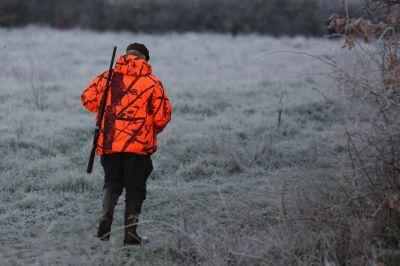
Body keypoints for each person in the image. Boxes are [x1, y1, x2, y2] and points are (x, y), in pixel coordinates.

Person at [80, 43, 172, 245]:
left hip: (110, 142)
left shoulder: (107, 77)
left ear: (126, 56)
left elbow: (87, 98)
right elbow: (163, 115)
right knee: (135, 187)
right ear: (145, 59)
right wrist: (151, 129)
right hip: (138, 146)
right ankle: (131, 235)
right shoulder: (152, 83)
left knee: (112, 180)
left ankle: (106, 216)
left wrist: (104, 111)